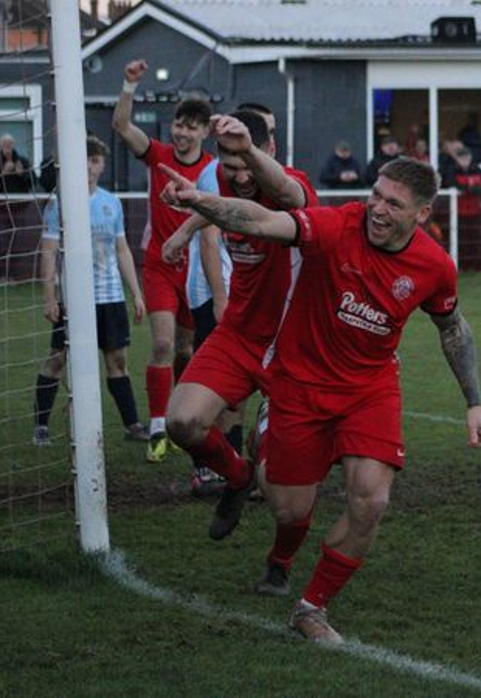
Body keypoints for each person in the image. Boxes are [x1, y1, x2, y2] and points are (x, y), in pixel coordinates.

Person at [158, 156, 481, 644]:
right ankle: (279, 548)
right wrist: (203, 205)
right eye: (376, 195)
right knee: (288, 509)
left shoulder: (434, 266)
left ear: (422, 214)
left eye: (393, 204)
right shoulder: (335, 225)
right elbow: (261, 219)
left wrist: (475, 401)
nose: (378, 209)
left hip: (370, 388)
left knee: (371, 498)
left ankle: (311, 607)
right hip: (299, 384)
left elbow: (454, 327)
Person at [160, 110, 318, 541]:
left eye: (247, 163)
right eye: (230, 166)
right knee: (182, 424)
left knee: (282, 492)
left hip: (291, 344)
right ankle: (235, 475)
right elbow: (226, 205)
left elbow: (283, 197)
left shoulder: (293, 182)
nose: (240, 176)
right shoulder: (226, 177)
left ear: (268, 149)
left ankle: (281, 566)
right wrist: (186, 229)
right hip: (240, 332)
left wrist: (245, 152)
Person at [113, 58, 214, 462]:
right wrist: (128, 84)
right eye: (179, 124)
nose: (183, 132)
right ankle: (157, 427)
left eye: (192, 126)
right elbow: (122, 127)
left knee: (186, 350)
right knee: (161, 342)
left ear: (205, 131)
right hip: (159, 267)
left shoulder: (213, 170)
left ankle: (178, 417)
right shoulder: (158, 155)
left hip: (199, 274)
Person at [33, 136, 149, 446]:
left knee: (117, 362)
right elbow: (48, 252)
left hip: (110, 298)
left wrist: (136, 293)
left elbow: (122, 250)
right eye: (84, 158)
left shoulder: (111, 202)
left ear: (101, 166)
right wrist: (49, 297)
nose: (89, 165)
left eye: (95, 160)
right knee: (57, 359)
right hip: (74, 300)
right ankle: (41, 426)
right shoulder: (59, 203)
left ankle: (133, 424)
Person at [442, 146, 481, 271]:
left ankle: (477, 265)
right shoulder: (452, 170)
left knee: (476, 238)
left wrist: (469, 188)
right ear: (457, 158)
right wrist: (471, 187)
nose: (465, 159)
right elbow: (452, 184)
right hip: (458, 211)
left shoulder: (477, 169)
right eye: (461, 157)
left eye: (467, 157)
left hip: (476, 211)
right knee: (461, 238)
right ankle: (462, 265)